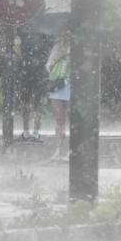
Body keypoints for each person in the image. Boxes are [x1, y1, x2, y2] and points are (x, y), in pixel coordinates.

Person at [46, 28, 72, 161]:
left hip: (71, 87)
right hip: (57, 87)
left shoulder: (78, 46)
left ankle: (71, 150)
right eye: (64, 32)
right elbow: (48, 66)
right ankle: (58, 150)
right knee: (59, 120)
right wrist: (57, 59)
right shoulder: (57, 47)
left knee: (73, 120)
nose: (66, 34)